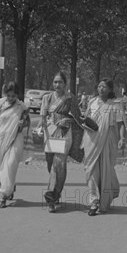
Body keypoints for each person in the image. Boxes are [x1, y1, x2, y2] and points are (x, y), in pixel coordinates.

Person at [82, 78, 127, 216]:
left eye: (104, 86)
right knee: (92, 170)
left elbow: (120, 124)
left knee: (106, 170)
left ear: (110, 89)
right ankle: (94, 202)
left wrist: (121, 138)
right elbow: (86, 118)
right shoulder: (92, 102)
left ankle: (107, 195)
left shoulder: (115, 105)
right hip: (91, 140)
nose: (101, 89)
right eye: (99, 86)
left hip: (107, 141)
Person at [41, 72, 84, 213]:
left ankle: (51, 195)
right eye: (55, 82)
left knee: (58, 162)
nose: (57, 85)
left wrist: (68, 120)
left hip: (65, 133)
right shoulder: (47, 98)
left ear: (65, 84)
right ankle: (57, 192)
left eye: (60, 82)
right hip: (50, 133)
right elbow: (43, 117)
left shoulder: (70, 99)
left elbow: (78, 117)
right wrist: (46, 124)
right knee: (51, 163)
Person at [0, 82, 30, 208]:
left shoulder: (22, 107)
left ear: (17, 95)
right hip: (0, 139)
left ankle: (3, 195)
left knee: (10, 165)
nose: (10, 99)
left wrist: (23, 123)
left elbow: (27, 124)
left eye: (13, 96)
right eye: (8, 96)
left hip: (16, 139)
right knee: (4, 167)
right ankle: (10, 186)